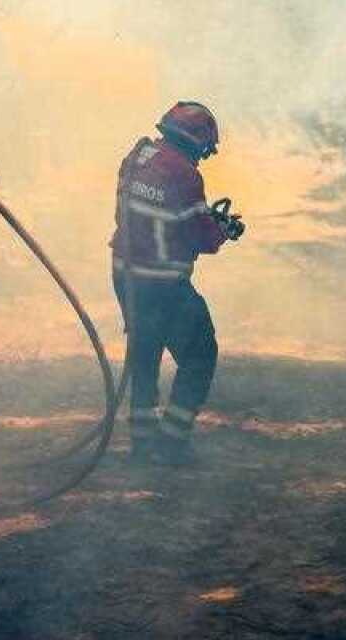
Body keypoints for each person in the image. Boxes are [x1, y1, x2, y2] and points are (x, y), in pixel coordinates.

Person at [110, 101, 243, 466]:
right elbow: (202, 236)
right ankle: (172, 442)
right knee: (200, 354)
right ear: (196, 142)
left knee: (144, 352)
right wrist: (223, 230)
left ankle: (141, 444)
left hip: (125, 275)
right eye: (205, 148)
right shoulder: (184, 174)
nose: (204, 155)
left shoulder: (137, 156)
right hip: (163, 283)